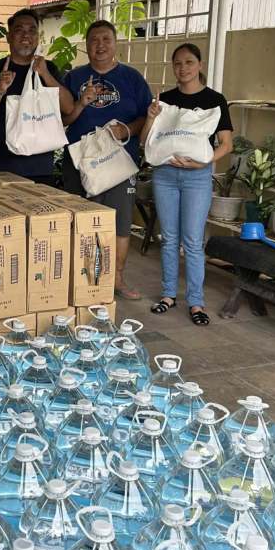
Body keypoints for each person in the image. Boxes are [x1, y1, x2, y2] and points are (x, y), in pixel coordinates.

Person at [140, 43, 233, 326]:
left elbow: (226, 144)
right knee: (169, 238)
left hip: (197, 178)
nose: (183, 68)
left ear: (200, 65)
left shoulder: (215, 100)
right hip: (165, 175)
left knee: (192, 241)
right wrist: (150, 117)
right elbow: (146, 141)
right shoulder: (164, 100)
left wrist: (204, 163)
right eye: (178, 63)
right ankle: (168, 295)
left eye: (189, 62)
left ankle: (196, 302)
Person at [62, 20, 152, 301]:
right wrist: (82, 102)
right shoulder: (73, 78)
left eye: (106, 40)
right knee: (79, 221)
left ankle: (116, 279)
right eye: (94, 40)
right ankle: (79, 279)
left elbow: (146, 116)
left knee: (120, 223)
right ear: (86, 46)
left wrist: (127, 130)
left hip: (119, 162)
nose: (100, 45)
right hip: (80, 161)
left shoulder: (132, 78)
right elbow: (62, 119)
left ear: (115, 44)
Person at [0, 8, 74, 184]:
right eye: (19, 30)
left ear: (38, 37)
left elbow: (68, 108)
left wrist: (45, 74)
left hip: (42, 167)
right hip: (5, 167)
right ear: (9, 37)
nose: (26, 35)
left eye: (32, 30)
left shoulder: (49, 68)